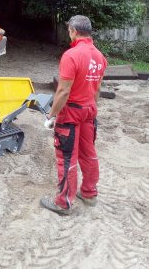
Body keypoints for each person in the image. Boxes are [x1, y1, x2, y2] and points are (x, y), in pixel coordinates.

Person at [41, 15, 107, 215]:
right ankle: (89, 193)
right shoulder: (99, 57)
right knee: (88, 153)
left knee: (67, 157)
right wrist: (91, 110)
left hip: (71, 112)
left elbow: (63, 91)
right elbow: (96, 89)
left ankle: (63, 203)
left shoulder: (71, 55)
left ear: (74, 31)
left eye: (69, 30)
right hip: (89, 110)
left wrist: (51, 116)